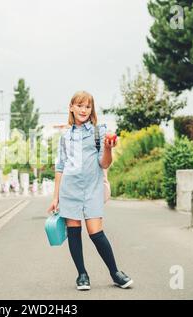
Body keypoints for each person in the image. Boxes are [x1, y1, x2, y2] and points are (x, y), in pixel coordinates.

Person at [46, 90, 133, 291]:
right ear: (71, 107)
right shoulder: (65, 136)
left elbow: (104, 163)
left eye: (87, 106)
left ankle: (115, 272)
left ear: (91, 110)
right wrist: (55, 197)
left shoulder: (98, 132)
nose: (84, 110)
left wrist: (108, 148)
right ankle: (82, 275)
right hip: (70, 190)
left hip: (92, 189)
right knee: (74, 232)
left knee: (96, 233)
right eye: (80, 105)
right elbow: (60, 167)